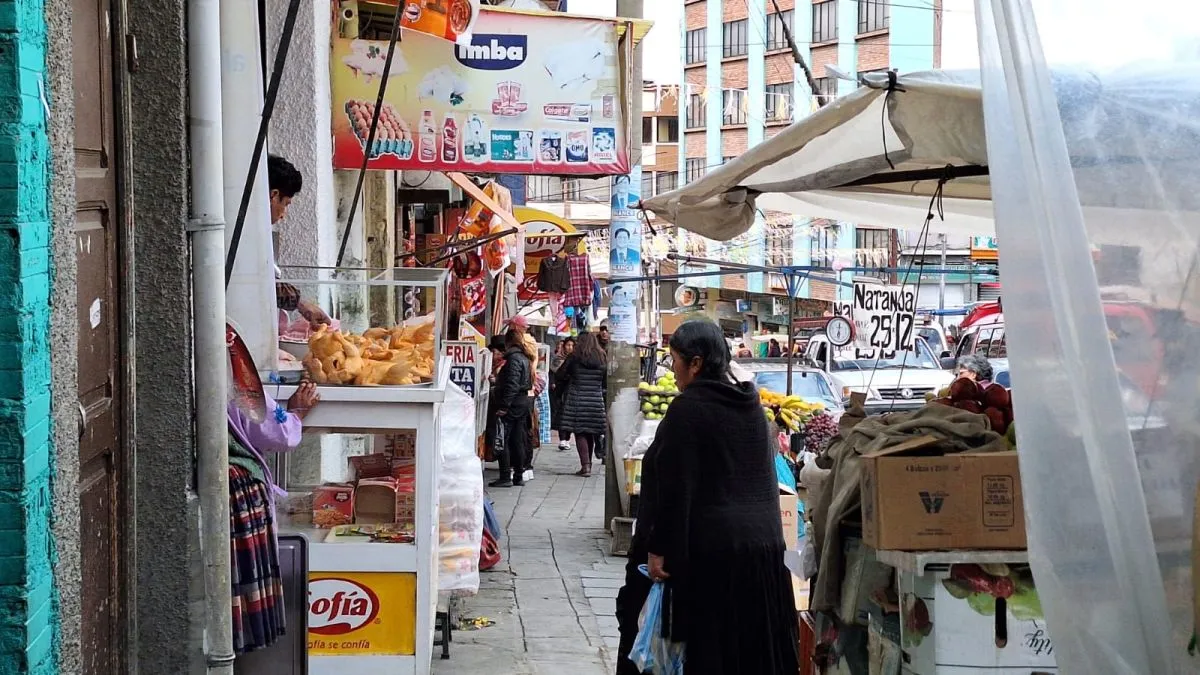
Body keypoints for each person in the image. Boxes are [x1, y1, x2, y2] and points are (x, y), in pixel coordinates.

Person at [615, 320, 799, 675]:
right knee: (748, 656)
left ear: (695, 363)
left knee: (706, 655)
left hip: (712, 559)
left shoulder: (689, 409)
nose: (674, 369)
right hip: (763, 556)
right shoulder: (750, 407)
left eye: (675, 360)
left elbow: (675, 489)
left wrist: (657, 550)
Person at [228, 376, 320, 653]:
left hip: (217, 490)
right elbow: (279, 432)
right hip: (238, 497)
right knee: (240, 599)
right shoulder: (230, 365)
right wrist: (296, 413)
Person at [270, 154, 331, 326]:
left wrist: (301, 304)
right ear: (274, 195)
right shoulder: (246, 233)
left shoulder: (259, 233)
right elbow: (262, 284)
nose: (283, 215)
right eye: (286, 204)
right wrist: (300, 303)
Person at [555, 332, 608, 477]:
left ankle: (586, 466)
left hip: (577, 399)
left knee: (580, 432)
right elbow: (605, 381)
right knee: (589, 432)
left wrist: (568, 379)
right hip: (596, 401)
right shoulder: (602, 357)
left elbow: (560, 374)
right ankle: (588, 465)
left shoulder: (575, 357)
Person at [490, 329, 534, 488]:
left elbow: (512, 384)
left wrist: (504, 406)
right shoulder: (523, 358)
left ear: (508, 343)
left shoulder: (514, 359)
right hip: (521, 402)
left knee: (504, 438)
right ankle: (518, 475)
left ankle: (505, 476)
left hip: (513, 403)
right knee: (517, 440)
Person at [550, 337, 576, 451]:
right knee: (561, 414)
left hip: (572, 391)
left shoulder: (576, 359)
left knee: (569, 415)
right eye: (568, 345)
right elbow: (556, 372)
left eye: (572, 345)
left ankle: (567, 439)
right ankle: (562, 439)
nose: (570, 347)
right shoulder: (558, 359)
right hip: (560, 391)